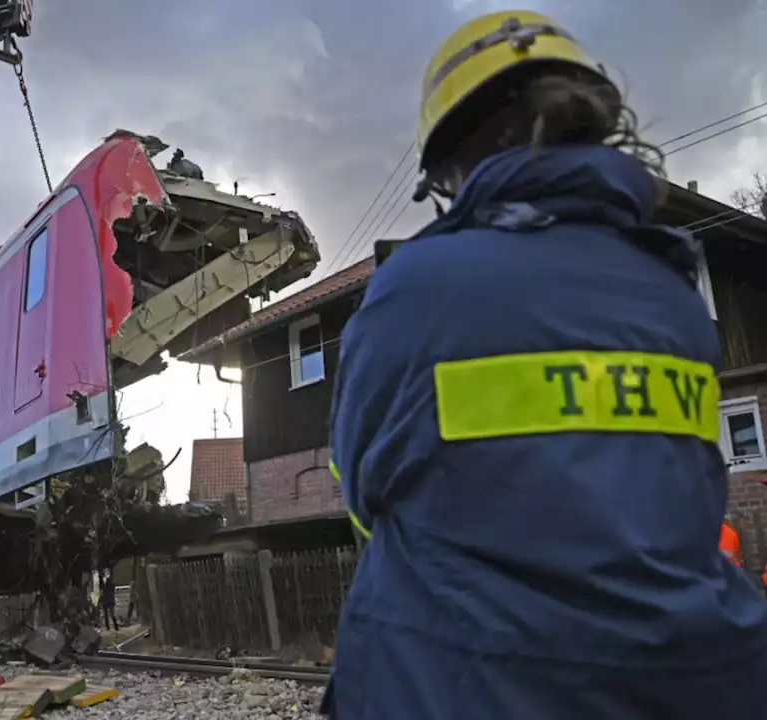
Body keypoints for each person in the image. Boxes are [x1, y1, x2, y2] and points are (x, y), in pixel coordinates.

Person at [324, 10, 767, 719]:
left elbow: (361, 490)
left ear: (450, 165)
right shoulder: (675, 296)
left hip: (459, 687)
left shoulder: (416, 286)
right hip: (703, 679)